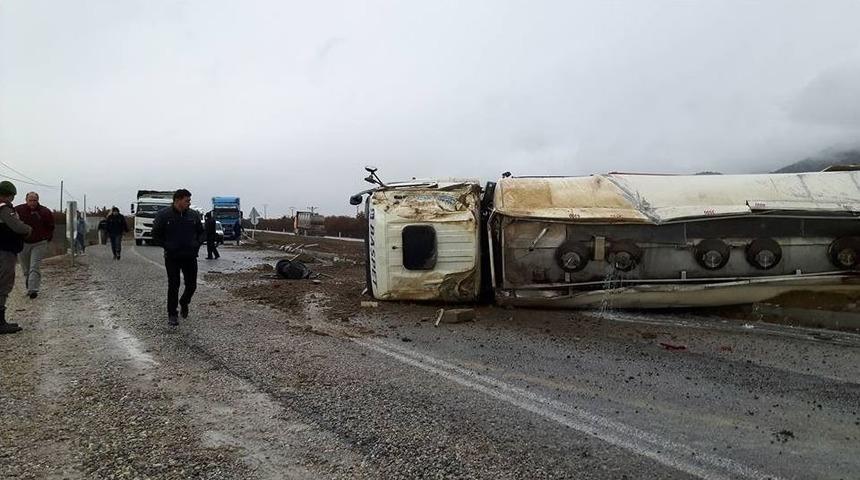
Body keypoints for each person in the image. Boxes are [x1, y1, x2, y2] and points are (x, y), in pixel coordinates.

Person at [151, 189, 204, 326]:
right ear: (178, 200)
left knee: (191, 285)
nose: (189, 203)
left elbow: (201, 233)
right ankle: (172, 314)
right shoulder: (163, 215)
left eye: (189, 200)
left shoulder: (194, 215)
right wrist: (167, 245)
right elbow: (156, 235)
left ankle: (184, 301)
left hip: (190, 256)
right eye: (187, 200)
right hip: (172, 257)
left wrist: (196, 244)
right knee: (174, 285)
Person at [0, 181, 33, 334]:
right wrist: (28, 229)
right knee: (4, 283)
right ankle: (0, 322)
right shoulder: (4, 209)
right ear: (9, 194)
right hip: (4, 250)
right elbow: (17, 226)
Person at [15, 192, 54, 299]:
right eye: (30, 200)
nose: (32, 202)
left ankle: (33, 289)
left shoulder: (45, 211)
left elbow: (51, 226)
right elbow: (13, 224)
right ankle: (29, 287)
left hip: (39, 242)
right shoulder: (18, 210)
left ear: (38, 200)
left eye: (34, 200)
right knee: (26, 268)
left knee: (34, 266)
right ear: (26, 200)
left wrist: (47, 238)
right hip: (23, 243)